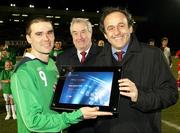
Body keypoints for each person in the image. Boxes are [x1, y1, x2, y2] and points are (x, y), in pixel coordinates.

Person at [10, 17, 112, 133]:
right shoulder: (23, 72)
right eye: (39, 34)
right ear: (29, 38)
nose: (46, 38)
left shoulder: (52, 65)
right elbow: (33, 122)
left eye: (49, 33)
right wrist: (78, 115)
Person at [92, 7, 178, 133]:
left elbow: (171, 94)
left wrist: (140, 97)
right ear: (105, 34)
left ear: (130, 28)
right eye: (110, 28)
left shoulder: (153, 55)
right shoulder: (95, 60)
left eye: (121, 25)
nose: (116, 32)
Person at [56, 17, 103, 133]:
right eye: (75, 33)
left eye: (83, 32)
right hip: (75, 123)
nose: (79, 37)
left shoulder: (105, 53)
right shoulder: (63, 58)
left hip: (102, 122)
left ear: (90, 33)